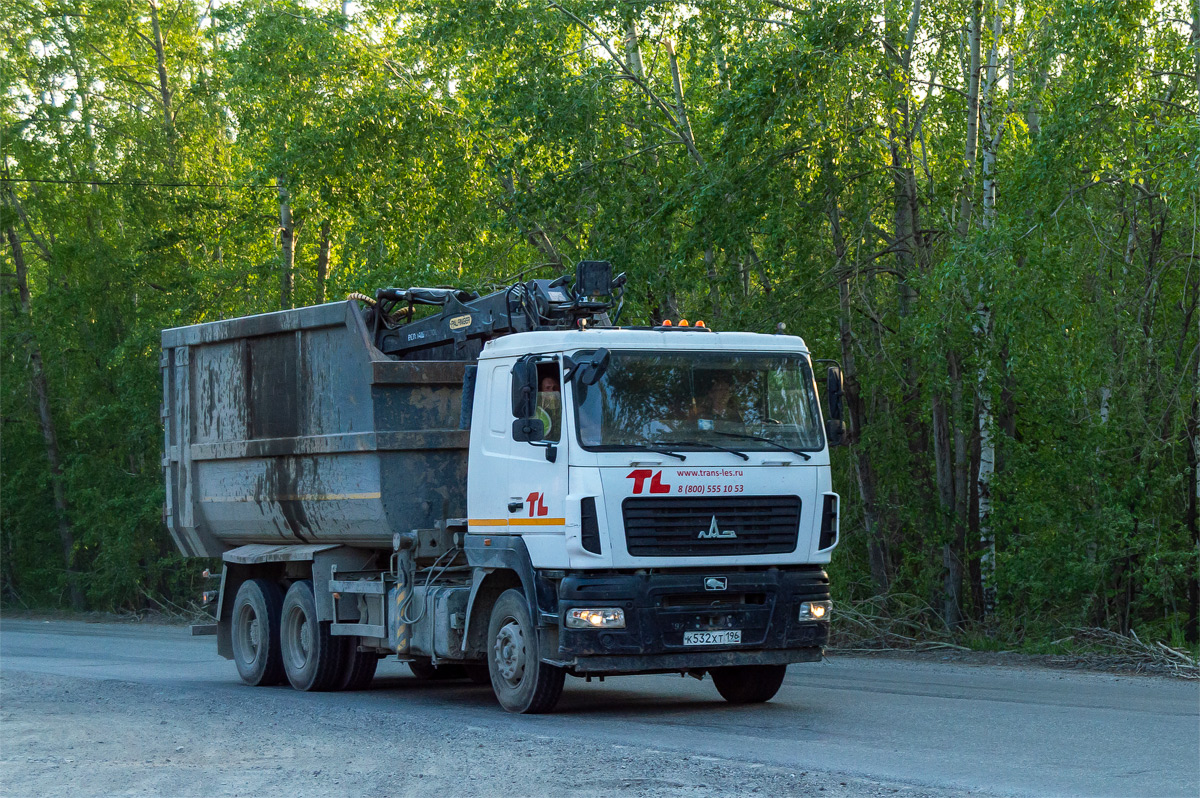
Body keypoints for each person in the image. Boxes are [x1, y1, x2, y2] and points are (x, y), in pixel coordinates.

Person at [535, 373, 562, 441]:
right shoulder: (536, 411)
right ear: (541, 392)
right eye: (548, 388)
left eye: (555, 388)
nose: (552, 391)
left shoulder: (568, 407)